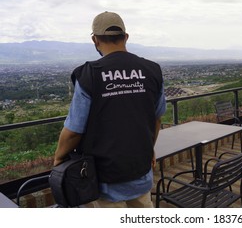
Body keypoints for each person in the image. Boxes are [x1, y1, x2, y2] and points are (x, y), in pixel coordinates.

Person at [53, 11, 166, 208]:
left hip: (104, 182)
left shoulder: (89, 75)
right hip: (140, 173)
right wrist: (149, 149)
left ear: (95, 40)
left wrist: (59, 158)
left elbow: (73, 132)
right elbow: (156, 119)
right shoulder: (152, 70)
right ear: (126, 37)